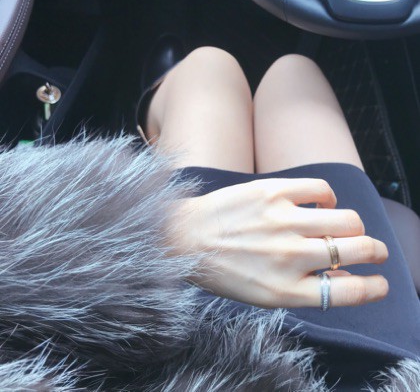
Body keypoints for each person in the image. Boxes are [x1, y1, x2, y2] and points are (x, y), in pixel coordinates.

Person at [135, 39, 420, 387]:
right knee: (293, 74)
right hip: (378, 364)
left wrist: (169, 235)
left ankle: (154, 124)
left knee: (209, 69)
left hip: (191, 356)